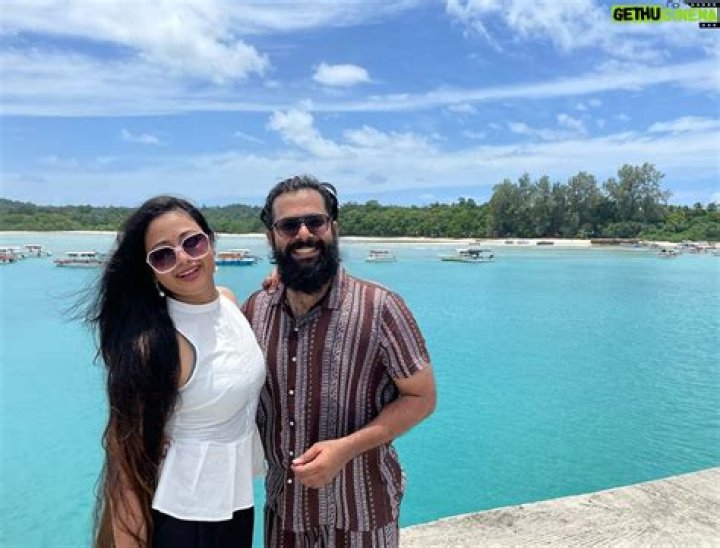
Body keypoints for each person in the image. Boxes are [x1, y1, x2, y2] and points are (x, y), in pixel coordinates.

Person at [242, 176, 437, 547]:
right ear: (271, 236)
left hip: (361, 513)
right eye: (289, 226)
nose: (304, 234)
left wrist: (345, 449)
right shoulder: (255, 311)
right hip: (285, 513)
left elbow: (422, 398)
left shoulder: (381, 308)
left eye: (315, 222)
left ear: (333, 228)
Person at [86, 196, 265, 548]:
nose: (183, 258)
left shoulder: (229, 302)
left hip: (234, 502)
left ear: (210, 241)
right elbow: (125, 464)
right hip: (184, 518)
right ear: (151, 271)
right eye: (163, 255)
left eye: (192, 242)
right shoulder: (157, 343)